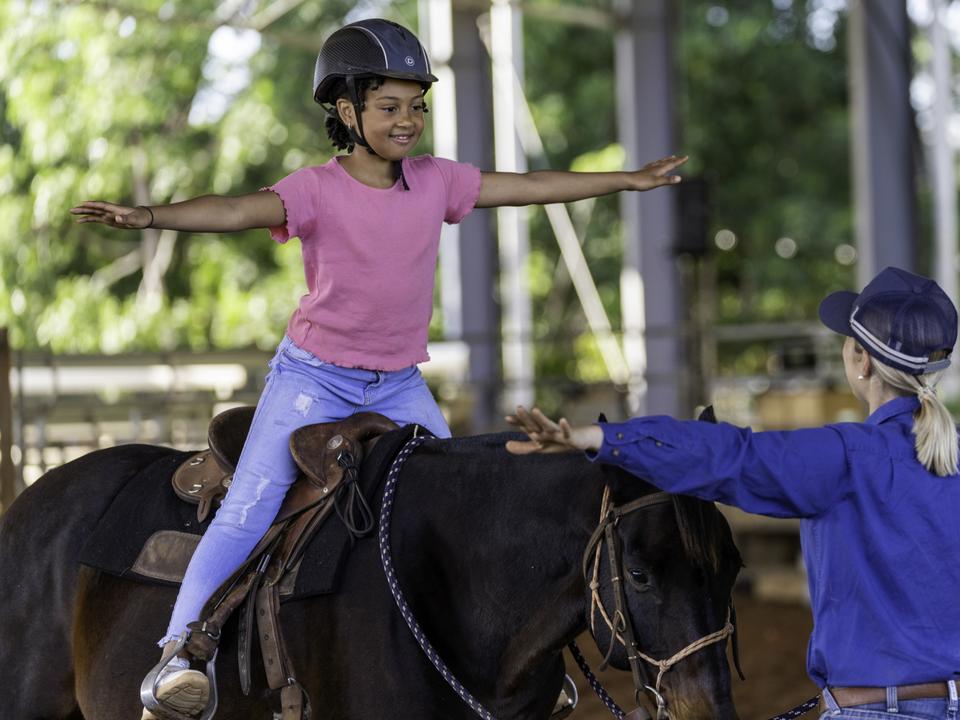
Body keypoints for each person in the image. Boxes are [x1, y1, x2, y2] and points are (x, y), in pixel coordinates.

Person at [71, 18, 686, 720]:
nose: (408, 120)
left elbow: (528, 185)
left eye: (416, 106)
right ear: (346, 111)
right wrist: (150, 217)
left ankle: (499, 659)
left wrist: (626, 180)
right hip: (313, 379)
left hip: (397, 383)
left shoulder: (436, 183)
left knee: (461, 505)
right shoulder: (314, 189)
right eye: (390, 106)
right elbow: (237, 208)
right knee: (247, 509)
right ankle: (180, 655)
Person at [506, 266, 960, 720]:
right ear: (938, 369)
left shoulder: (842, 458)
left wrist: (600, 437)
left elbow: (727, 456)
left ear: (860, 362)